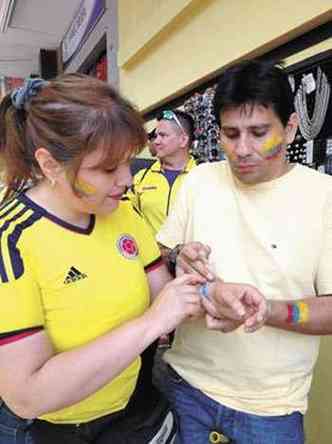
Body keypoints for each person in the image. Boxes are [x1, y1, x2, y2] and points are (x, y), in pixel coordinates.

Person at [0, 74, 206, 444]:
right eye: (107, 168)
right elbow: (27, 394)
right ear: (49, 164)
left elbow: (164, 296)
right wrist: (152, 322)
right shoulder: (11, 240)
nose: (126, 179)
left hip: (136, 413)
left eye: (129, 162)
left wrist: (204, 290)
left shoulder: (123, 213)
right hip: (52, 431)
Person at [157, 59, 332, 444]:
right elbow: (164, 253)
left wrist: (267, 310)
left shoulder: (324, 197)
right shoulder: (199, 181)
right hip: (185, 387)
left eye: (258, 132)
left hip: (271, 409)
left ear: (289, 128)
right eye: (230, 134)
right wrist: (178, 255)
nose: (242, 149)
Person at [128, 109, 197, 237]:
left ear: (183, 140)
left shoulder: (203, 176)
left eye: (163, 135)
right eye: (156, 136)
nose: (156, 141)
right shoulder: (140, 178)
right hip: (153, 256)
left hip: (195, 256)